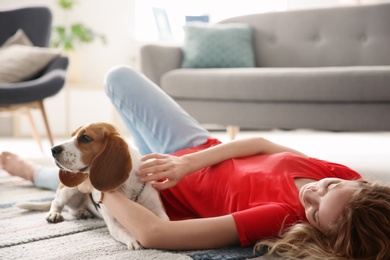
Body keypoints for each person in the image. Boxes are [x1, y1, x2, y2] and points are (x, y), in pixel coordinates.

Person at [1, 66, 389, 260]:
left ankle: (31, 171)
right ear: (361, 183)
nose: (314, 194)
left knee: (87, 177)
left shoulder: (283, 217)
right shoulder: (344, 173)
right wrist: (187, 162)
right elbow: (259, 143)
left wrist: (99, 188)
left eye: (317, 212)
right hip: (193, 147)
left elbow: (155, 236)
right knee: (118, 76)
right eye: (331, 189)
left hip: (157, 189)